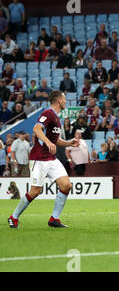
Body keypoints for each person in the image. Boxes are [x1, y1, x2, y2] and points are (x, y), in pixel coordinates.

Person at [8, 91, 80, 228]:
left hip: (51, 159)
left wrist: (69, 143)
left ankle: (54, 219)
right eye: (64, 99)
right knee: (36, 191)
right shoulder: (48, 113)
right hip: (39, 158)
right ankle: (13, 217)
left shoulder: (57, 118)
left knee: (66, 185)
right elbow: (36, 128)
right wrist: (48, 142)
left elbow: (56, 140)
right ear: (58, 101)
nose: (66, 101)